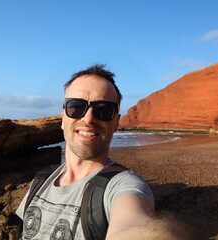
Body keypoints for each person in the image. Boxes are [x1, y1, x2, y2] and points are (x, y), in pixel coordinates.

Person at [15, 64, 156, 239]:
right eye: (76, 106)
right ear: (63, 118)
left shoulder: (123, 187)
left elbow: (134, 225)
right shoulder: (41, 180)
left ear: (116, 123)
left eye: (103, 110)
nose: (88, 118)